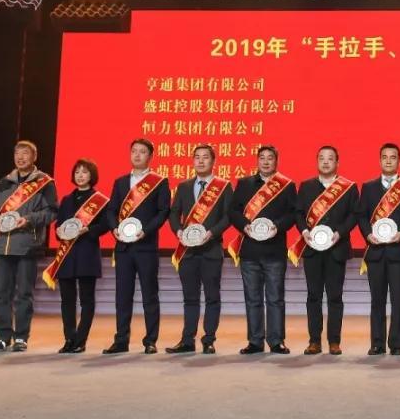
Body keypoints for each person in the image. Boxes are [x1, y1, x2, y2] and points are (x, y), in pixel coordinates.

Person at [0, 141, 58, 353]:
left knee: (24, 294)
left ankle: (21, 337)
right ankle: (2, 336)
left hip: (27, 245)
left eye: (25, 153)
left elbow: (52, 212)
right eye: (17, 153)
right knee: (1, 294)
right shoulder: (5, 181)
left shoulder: (44, 183)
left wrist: (28, 219)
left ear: (34, 157)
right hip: (2, 246)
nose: (20, 157)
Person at [103, 138, 171, 354]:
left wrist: (146, 231)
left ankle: (150, 340)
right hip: (123, 248)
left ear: (150, 156)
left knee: (150, 295)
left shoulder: (159, 182)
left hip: (146, 246)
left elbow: (163, 212)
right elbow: (111, 210)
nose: (137, 155)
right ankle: (121, 340)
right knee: (122, 295)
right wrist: (114, 228)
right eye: (134, 151)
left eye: (142, 152)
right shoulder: (120, 182)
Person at [228, 145, 296, 355]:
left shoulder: (286, 185)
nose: (266, 162)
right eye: (262, 158)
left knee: (275, 298)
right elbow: (233, 211)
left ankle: (276, 341)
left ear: (276, 161)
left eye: (270, 158)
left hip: (275, 250)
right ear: (257, 161)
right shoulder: (245, 183)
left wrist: (278, 226)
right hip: (249, 251)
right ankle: (255, 341)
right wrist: (244, 226)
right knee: (253, 298)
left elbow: (293, 214)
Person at [292, 146, 359, 355]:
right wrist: (304, 231)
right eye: (322, 158)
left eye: (330, 158)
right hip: (312, 249)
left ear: (337, 162)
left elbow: (354, 215)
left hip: (336, 248)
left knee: (335, 297)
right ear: (317, 161)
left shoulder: (348, 188)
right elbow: (298, 213)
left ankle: (334, 341)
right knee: (313, 296)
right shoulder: (306, 186)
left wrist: (340, 232)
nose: (326, 162)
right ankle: (314, 341)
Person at [167, 144, 231, 354]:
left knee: (212, 296)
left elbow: (228, 216)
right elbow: (174, 213)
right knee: (190, 298)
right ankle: (187, 340)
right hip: (188, 251)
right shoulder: (184, 187)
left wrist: (212, 232)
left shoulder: (223, 186)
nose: (201, 161)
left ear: (213, 161)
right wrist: (178, 231)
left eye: (205, 157)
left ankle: (208, 339)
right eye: (197, 157)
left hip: (211, 249)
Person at [358, 143, 400, 355]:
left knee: (398, 300)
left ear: (399, 161)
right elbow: (362, 216)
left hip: (398, 251)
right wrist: (368, 234)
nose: (388, 160)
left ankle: (396, 344)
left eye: (393, 157)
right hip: (375, 252)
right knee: (377, 300)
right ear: (379, 160)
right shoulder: (368, 187)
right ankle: (377, 343)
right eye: (384, 157)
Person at [45, 159, 111, 353]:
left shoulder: (99, 200)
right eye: (77, 172)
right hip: (66, 256)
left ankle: (81, 340)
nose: (80, 175)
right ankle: (69, 339)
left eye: (84, 172)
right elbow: (59, 225)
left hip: (87, 253)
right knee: (67, 300)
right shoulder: (66, 199)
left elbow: (105, 225)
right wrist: (59, 232)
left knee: (86, 300)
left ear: (92, 175)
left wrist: (88, 230)